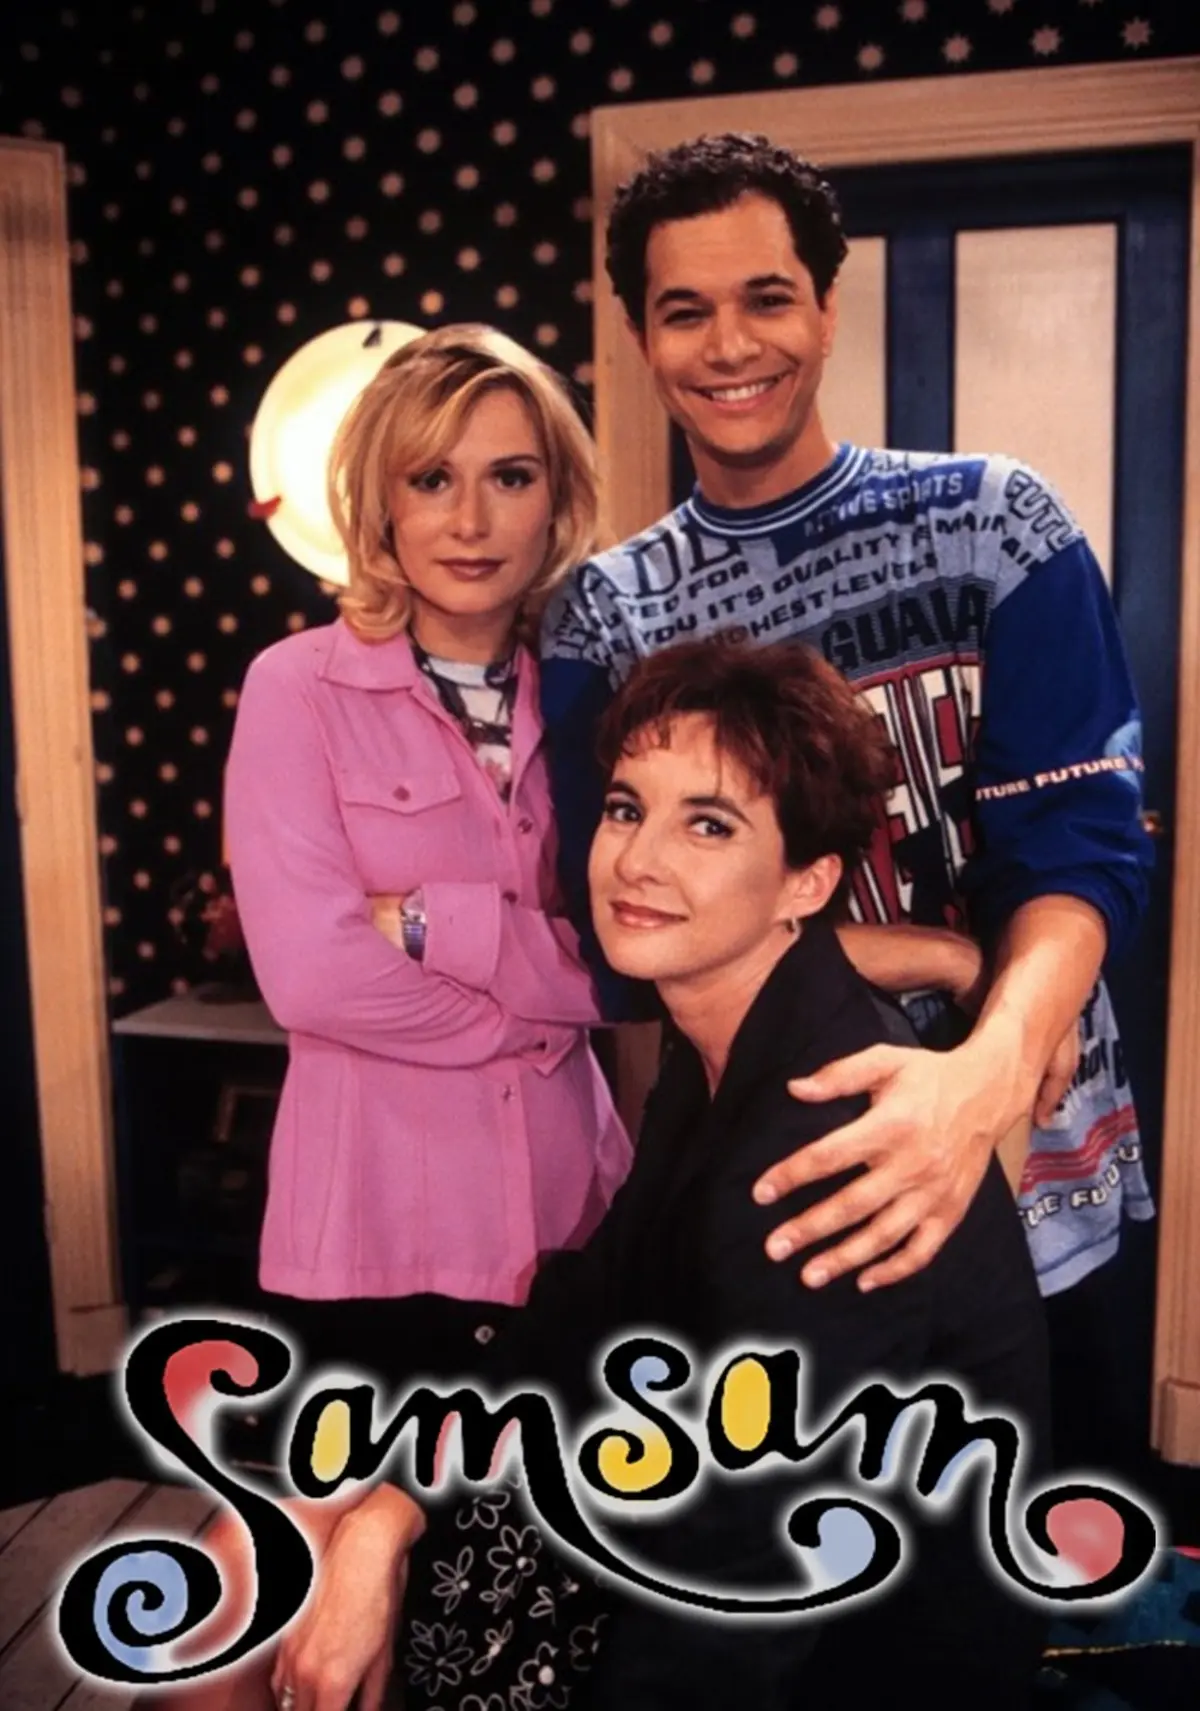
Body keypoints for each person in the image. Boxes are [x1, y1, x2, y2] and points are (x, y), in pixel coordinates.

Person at [241, 637, 1053, 1711]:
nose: (637, 861)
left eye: (708, 825)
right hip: (689, 1512)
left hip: (860, 1658)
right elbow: (586, 1316)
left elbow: (744, 1598)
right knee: (260, 1572)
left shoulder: (827, 1135)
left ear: (807, 882)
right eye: (628, 809)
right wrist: (390, 1515)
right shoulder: (722, 1048)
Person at [539, 132, 1154, 1307]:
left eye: (767, 298)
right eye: (685, 311)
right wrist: (939, 953)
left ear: (828, 308)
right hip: (783, 1181)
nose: (729, 345)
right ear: (639, 336)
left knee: (1052, 1431)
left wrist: (986, 1071)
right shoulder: (607, 615)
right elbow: (622, 926)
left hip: (1026, 1147)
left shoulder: (997, 526)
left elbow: (1081, 847)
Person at [224, 321, 633, 1408]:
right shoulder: (294, 688)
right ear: (381, 503)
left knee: (561, 1511)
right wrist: (537, 1016)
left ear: (557, 500)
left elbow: (633, 959)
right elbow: (313, 978)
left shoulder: (596, 697)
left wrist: (427, 922)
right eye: (432, 478)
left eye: (511, 476)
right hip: (378, 1234)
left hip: (574, 1208)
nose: (470, 521)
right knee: (376, 1513)